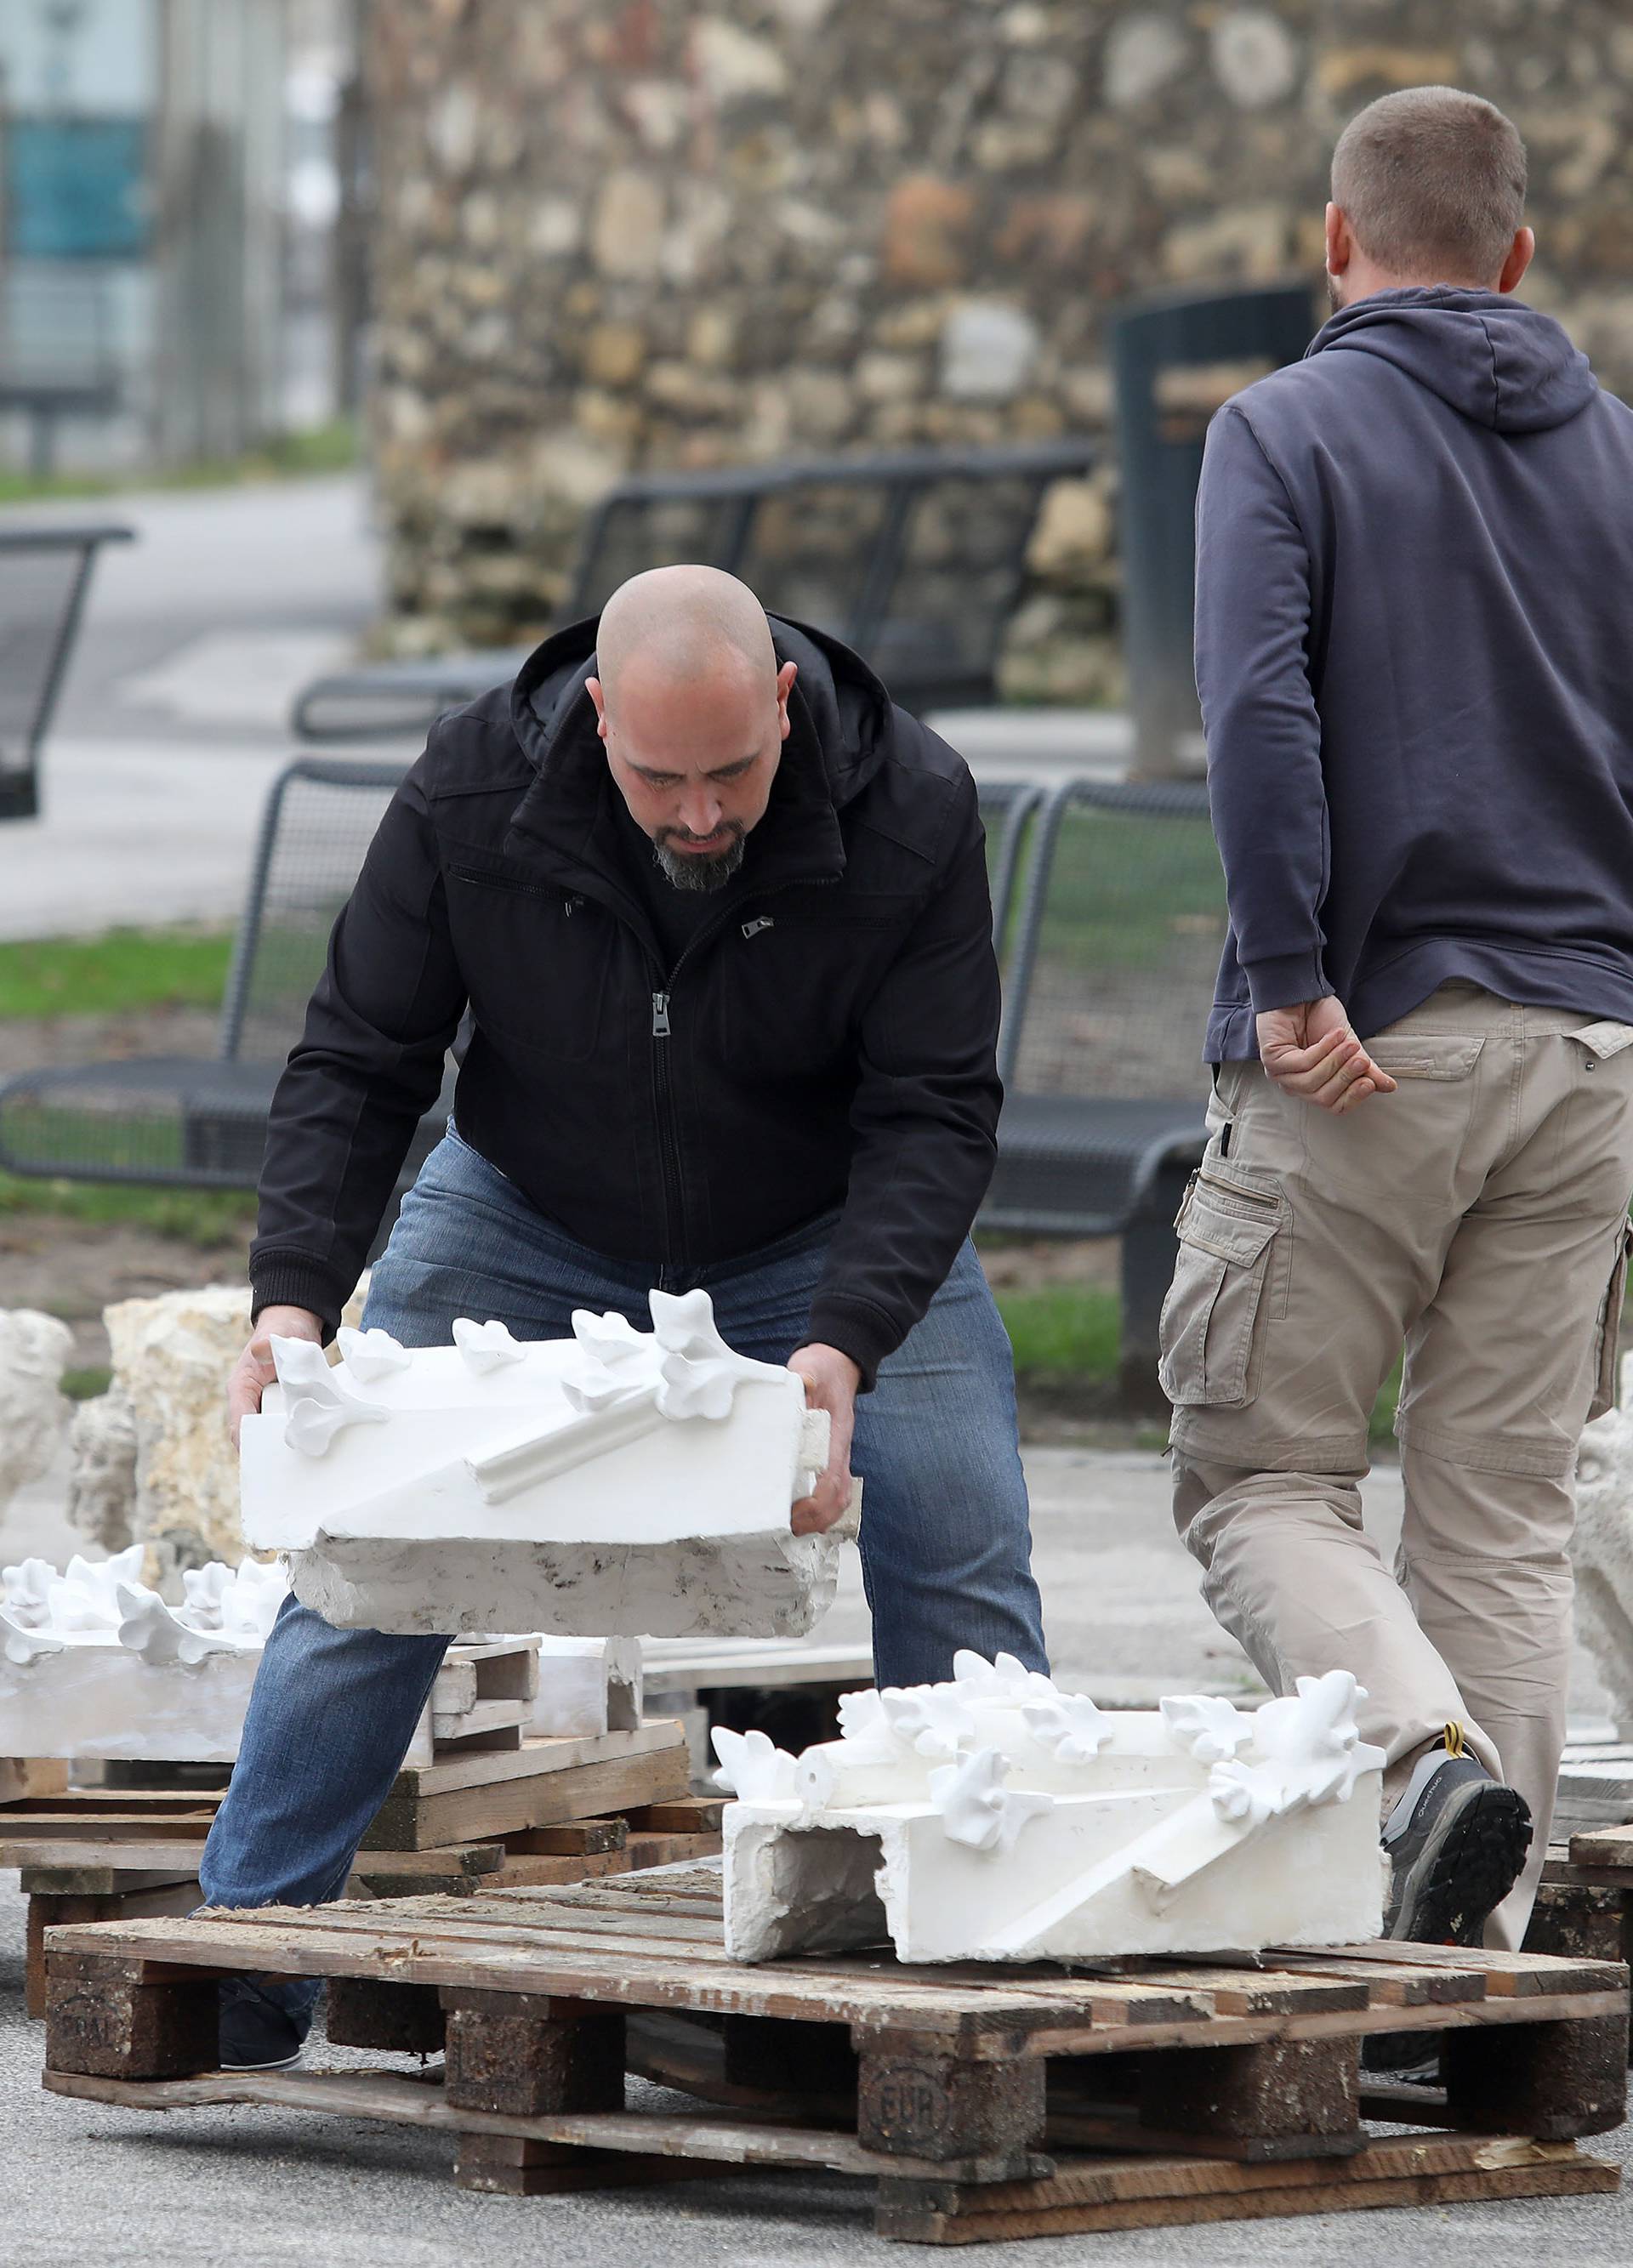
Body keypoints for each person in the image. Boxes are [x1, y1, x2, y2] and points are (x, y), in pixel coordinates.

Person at [203, 564, 1046, 2066]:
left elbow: (936, 1113)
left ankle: (994, 1958)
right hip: (528, 1211)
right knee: (370, 1538)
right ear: (595, 719)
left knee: (960, 1535)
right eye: (661, 776)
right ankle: (244, 1970)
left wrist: (847, 1339)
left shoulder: (913, 802)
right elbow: (358, 1056)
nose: (702, 814)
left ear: (784, 701)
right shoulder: (473, 789)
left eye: (733, 769)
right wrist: (292, 1301)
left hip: (822, 1228)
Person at [1169, 84, 1633, 1957]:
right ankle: (1480, 1971)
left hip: (1367, 1038)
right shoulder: (1618, 448)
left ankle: (1424, 1763)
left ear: (1335, 247)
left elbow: (1259, 710)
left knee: (1261, 1474)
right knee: (1498, 1522)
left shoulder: (1280, 428)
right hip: (1591, 1051)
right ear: (1518, 257)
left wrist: (1289, 974)